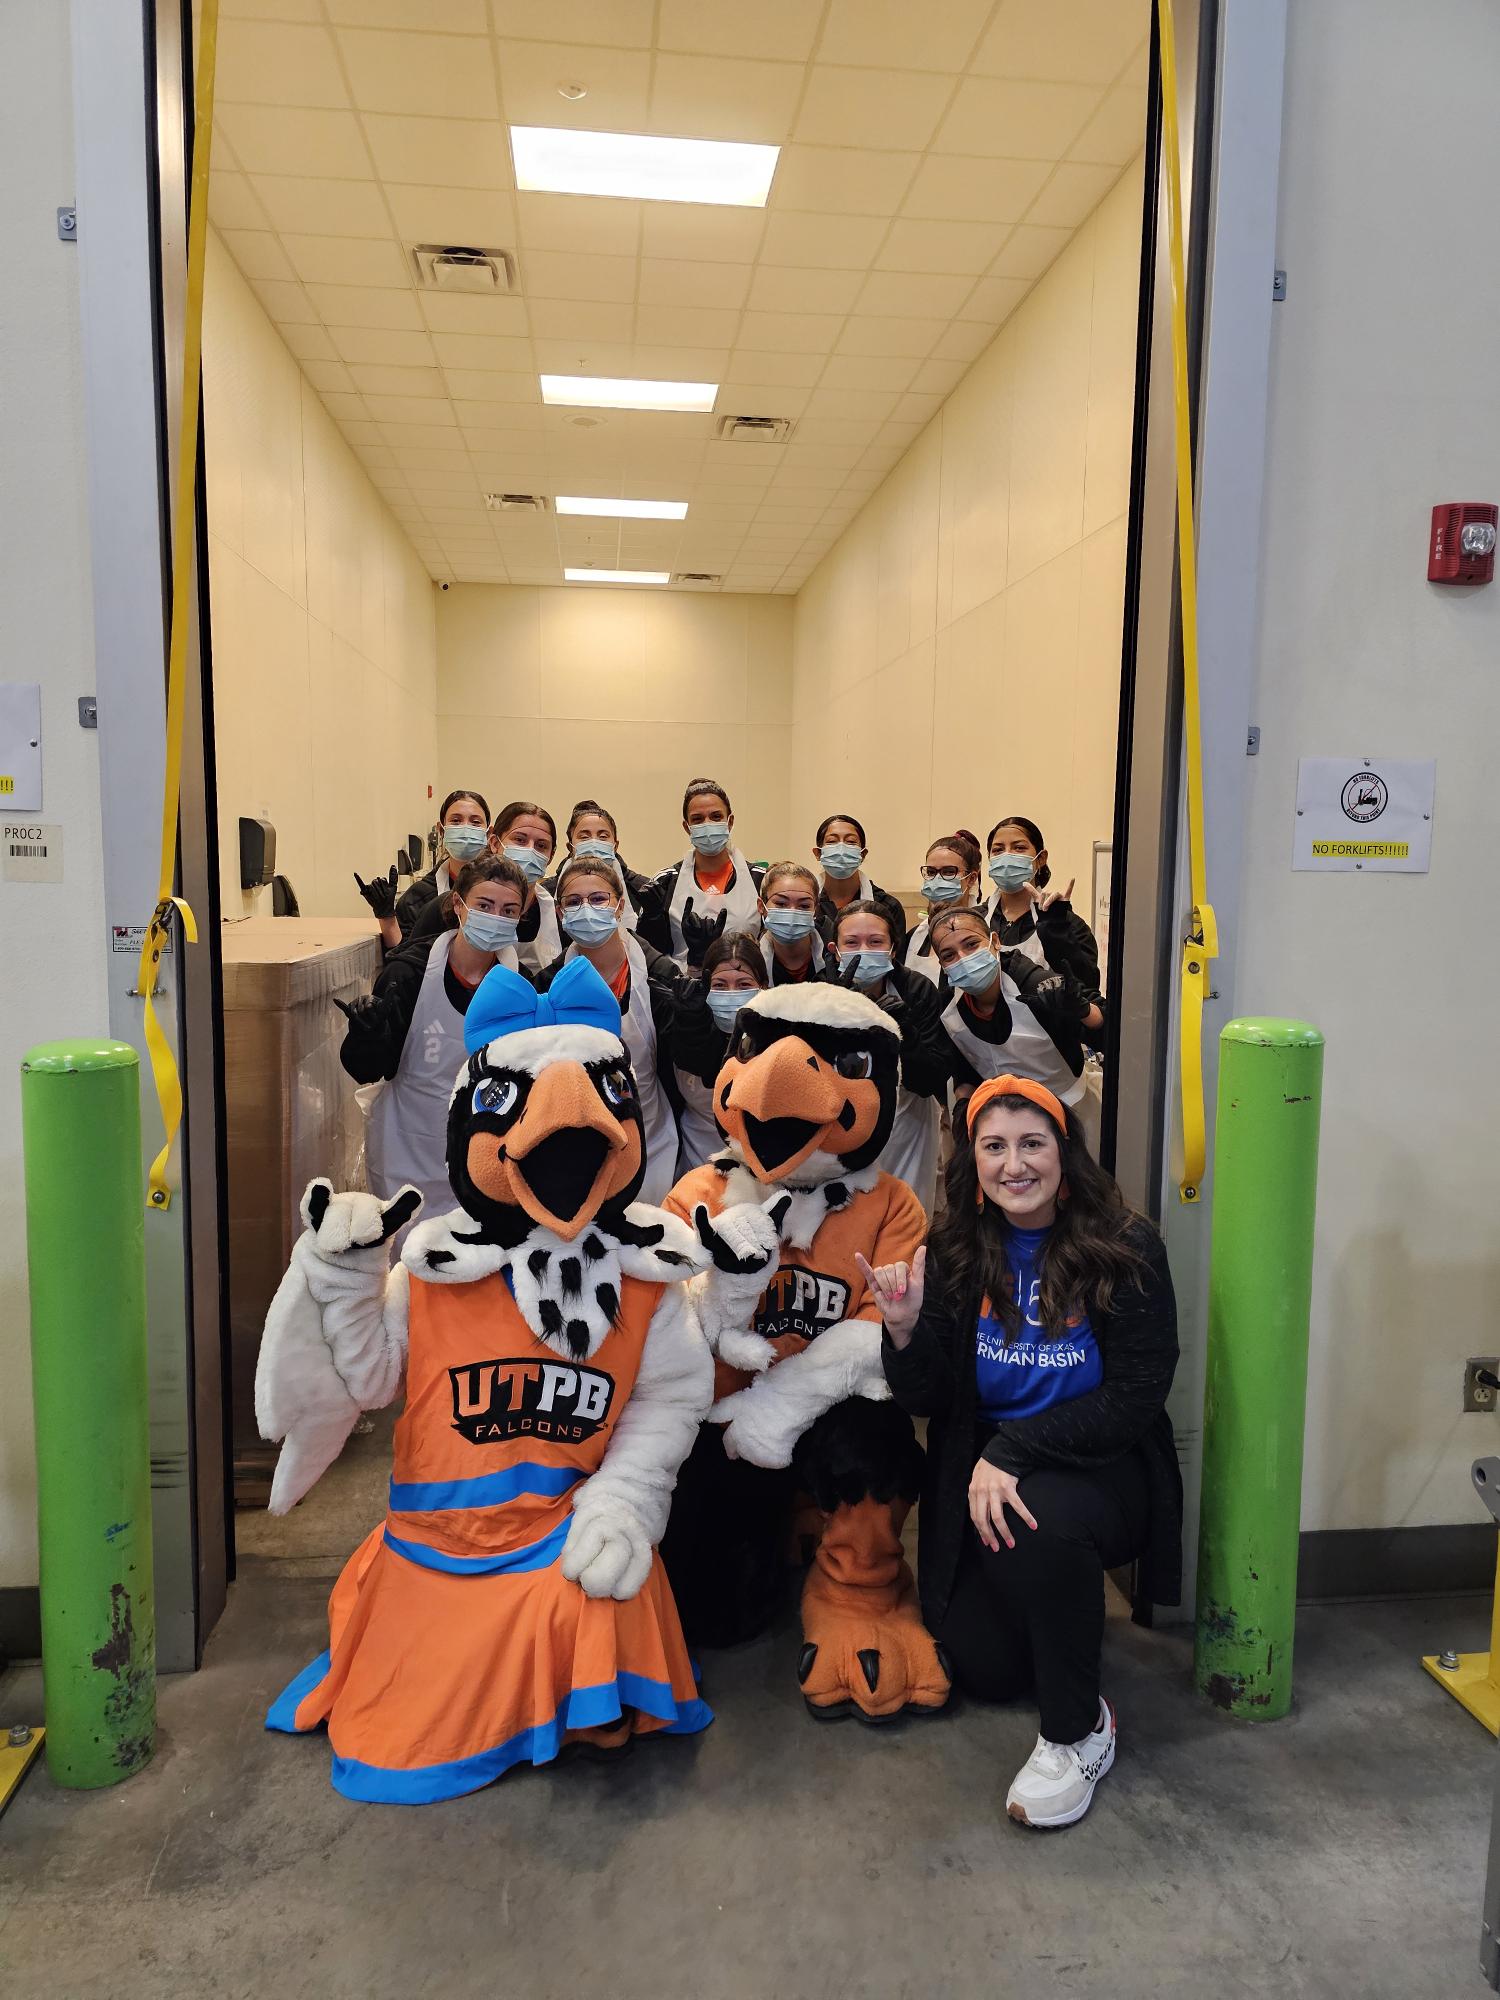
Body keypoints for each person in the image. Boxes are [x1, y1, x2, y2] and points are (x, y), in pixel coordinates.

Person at [873, 1074, 1180, 1829]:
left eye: (1033, 1143)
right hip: (990, 1469)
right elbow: (927, 1400)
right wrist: (905, 1329)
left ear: (1064, 1153)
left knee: (1038, 1521)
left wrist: (1015, 1448)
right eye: (995, 1146)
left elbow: (1137, 1395)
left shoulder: (1126, 1245)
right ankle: (1052, 1618)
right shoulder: (951, 1252)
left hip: (1102, 1464)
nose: (1016, 1164)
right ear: (971, 1162)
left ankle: (1077, 1735)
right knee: (985, 1669)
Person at [337, 855, 527, 1226]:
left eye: (509, 910)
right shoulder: (409, 971)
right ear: (458, 905)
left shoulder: (524, 985)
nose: (495, 917)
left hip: (488, 1155)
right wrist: (368, 1032)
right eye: (484, 906)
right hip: (408, 1150)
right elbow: (368, 1069)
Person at [534, 857, 682, 1206]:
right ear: (559, 911)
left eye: (598, 899)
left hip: (651, 1130)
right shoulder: (546, 984)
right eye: (573, 902)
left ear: (619, 905)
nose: (586, 909)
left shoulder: (660, 974)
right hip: (575, 1134)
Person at [928, 905, 1101, 1150]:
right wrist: (964, 1113)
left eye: (971, 945)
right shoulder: (949, 1007)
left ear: (995, 941)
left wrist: (1083, 1011)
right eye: (949, 955)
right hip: (1004, 1127)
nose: (963, 959)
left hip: (1071, 1116)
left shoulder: (1034, 985)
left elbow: (1106, 1035)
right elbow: (965, 1071)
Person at [827, 899, 953, 1215]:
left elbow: (932, 1079)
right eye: (852, 942)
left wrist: (905, 1035)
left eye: (876, 942)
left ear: (893, 949)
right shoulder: (820, 989)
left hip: (908, 1124)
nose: (864, 950)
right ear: (835, 949)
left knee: (906, 1219)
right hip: (839, 1130)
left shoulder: (916, 989)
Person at [669, 931, 768, 1175]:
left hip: (762, 1167)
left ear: (763, 987)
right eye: (720, 985)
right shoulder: (686, 1027)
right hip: (696, 1163)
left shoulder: (780, 1039)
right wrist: (691, 1022)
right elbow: (698, 1061)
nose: (732, 993)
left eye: (744, 985)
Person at [640, 779, 763, 969]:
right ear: (686, 826)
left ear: (729, 822)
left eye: (716, 816)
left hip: (746, 987)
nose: (707, 824)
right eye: (698, 819)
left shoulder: (760, 880)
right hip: (683, 990)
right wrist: (652, 918)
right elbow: (650, 951)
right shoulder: (665, 882)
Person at [985, 816, 1104, 1010]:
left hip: (1050, 1037)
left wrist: (1056, 931)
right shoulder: (975, 920)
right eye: (998, 850)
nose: (1007, 856)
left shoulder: (1068, 924)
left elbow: (1087, 991)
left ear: (1040, 858)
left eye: (1019, 848)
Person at [358, 789, 490, 949]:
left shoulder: (505, 889)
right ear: (441, 830)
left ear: (488, 833)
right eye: (456, 821)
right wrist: (386, 917)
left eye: (475, 822)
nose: (465, 829)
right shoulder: (418, 897)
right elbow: (403, 957)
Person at [544, 799, 653, 933]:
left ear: (615, 846)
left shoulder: (643, 890)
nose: (594, 842)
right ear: (570, 847)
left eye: (603, 836)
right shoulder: (547, 893)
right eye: (584, 837)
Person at [812, 813, 906, 955]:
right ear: (818, 853)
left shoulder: (887, 906)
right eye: (832, 842)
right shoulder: (806, 903)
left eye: (850, 842)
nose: (841, 849)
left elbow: (896, 962)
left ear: (863, 854)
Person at [903, 830, 983, 986]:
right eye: (931, 872)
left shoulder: (986, 930)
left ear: (971, 878)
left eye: (949, 872)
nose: (938, 879)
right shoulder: (914, 937)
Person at [756, 861, 829, 984]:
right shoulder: (750, 960)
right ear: (761, 906)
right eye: (781, 904)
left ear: (815, 910)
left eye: (804, 906)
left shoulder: (836, 952)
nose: (792, 913)